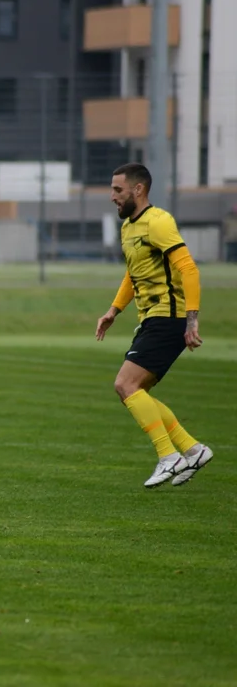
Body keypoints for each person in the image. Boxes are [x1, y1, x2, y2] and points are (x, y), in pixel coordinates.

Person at [95, 163, 213, 488]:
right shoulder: (128, 228)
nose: (112, 197)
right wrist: (114, 310)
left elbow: (189, 269)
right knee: (136, 391)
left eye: (118, 190)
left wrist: (192, 320)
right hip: (151, 319)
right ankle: (192, 449)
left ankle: (168, 456)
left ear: (138, 190)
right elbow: (133, 275)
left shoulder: (158, 222)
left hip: (169, 318)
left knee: (125, 385)